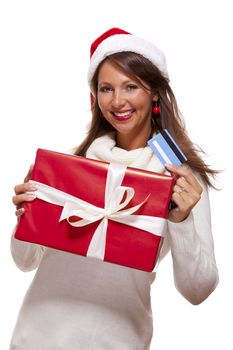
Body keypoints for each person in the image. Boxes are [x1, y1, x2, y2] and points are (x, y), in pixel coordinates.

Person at [10, 28, 219, 350]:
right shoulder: (74, 165)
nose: (118, 101)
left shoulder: (180, 181)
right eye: (106, 88)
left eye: (131, 86)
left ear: (154, 93)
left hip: (117, 340)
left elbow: (197, 291)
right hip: (38, 335)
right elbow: (24, 261)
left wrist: (182, 222)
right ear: (95, 96)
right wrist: (26, 213)